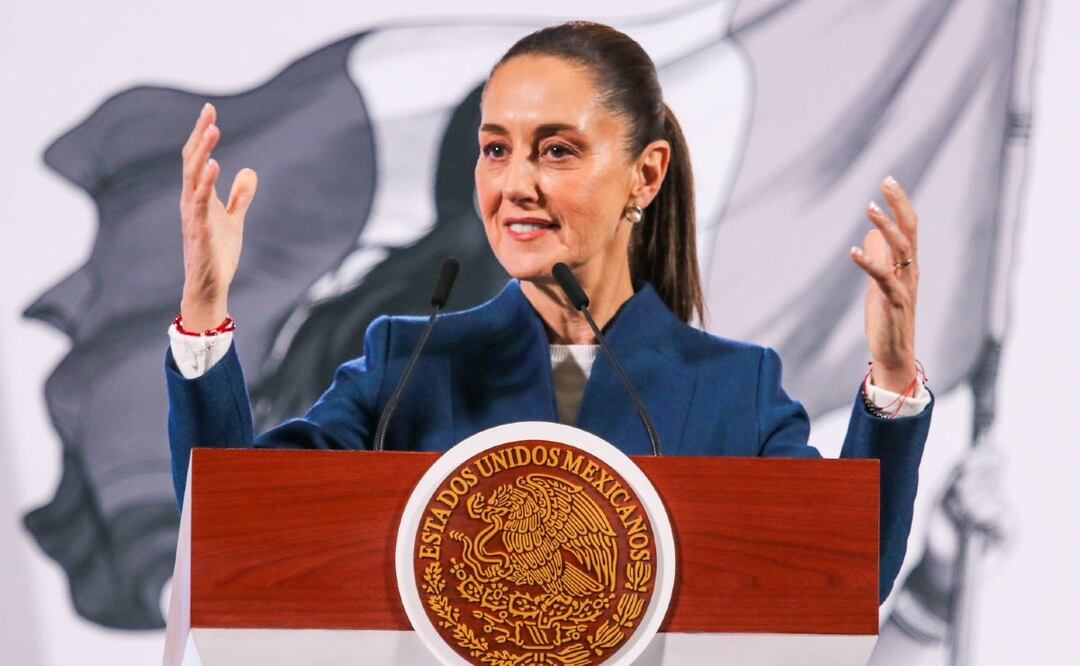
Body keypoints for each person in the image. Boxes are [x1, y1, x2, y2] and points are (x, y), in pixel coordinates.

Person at [166, 22, 932, 603]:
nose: (515, 184)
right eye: (496, 149)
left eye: (557, 151)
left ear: (645, 174)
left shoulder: (736, 389)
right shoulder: (409, 367)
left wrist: (893, 381)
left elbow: (846, 580)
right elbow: (232, 531)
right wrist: (204, 313)